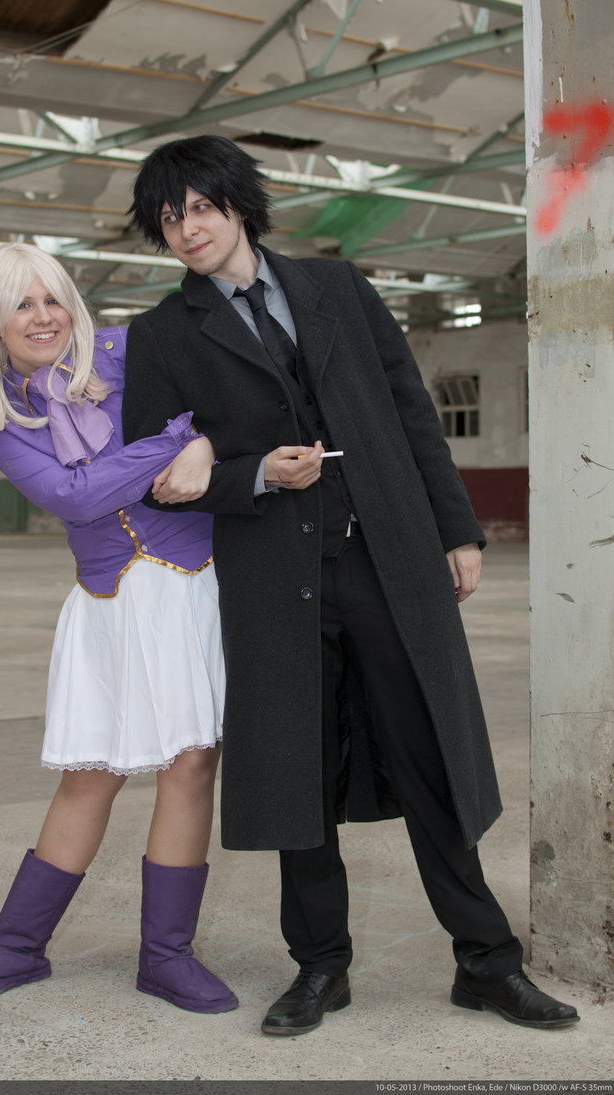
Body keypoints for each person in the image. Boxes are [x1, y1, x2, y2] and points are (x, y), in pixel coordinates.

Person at [121, 135, 579, 1035]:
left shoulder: (338, 287)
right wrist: (254, 473)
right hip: (272, 577)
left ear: (239, 204)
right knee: (299, 771)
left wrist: (455, 526)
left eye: (202, 207)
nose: (188, 229)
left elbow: (410, 406)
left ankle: (487, 961)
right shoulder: (163, 334)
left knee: (429, 752)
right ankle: (320, 966)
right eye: (169, 218)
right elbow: (150, 470)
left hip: (385, 554)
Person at [0, 241, 237, 1015]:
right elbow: (75, 497)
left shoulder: (131, 349)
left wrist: (206, 436)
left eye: (52, 299)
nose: (42, 317)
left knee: (191, 763)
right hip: (106, 600)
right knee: (90, 771)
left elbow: (227, 399)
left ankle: (167, 955)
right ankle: (17, 945)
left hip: (190, 585)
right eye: (21, 304)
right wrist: (177, 441)